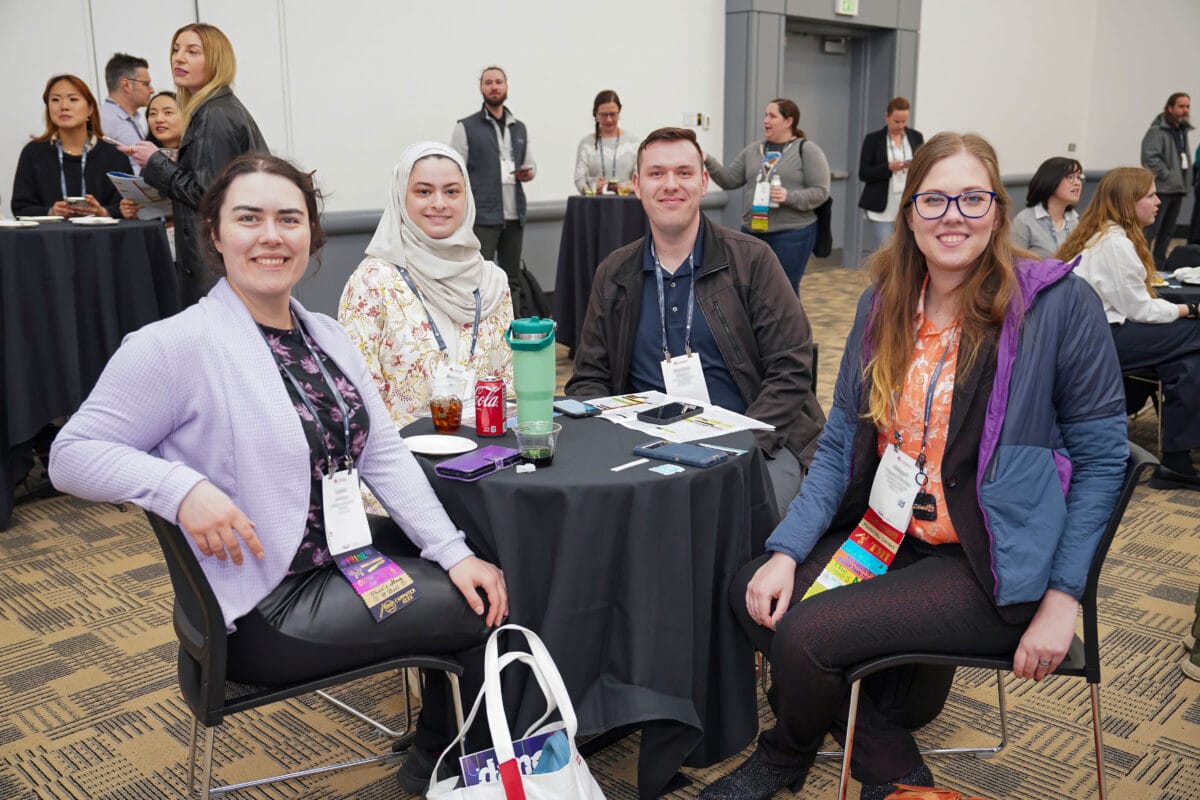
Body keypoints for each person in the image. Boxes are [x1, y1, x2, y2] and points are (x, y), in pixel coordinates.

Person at [47, 154, 507, 793]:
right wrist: (180, 489)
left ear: (310, 235)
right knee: (488, 611)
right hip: (268, 600)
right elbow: (72, 454)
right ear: (215, 234)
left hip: (338, 557)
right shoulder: (175, 345)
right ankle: (463, 764)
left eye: (289, 219)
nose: (271, 235)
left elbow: (382, 457)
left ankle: (444, 751)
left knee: (483, 568)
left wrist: (451, 551)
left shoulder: (324, 336)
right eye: (249, 218)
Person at [699, 132, 1127, 800]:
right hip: (891, 533)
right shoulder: (882, 304)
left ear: (997, 211)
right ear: (909, 213)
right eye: (933, 200)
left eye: (971, 198)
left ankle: (785, 755)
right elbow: (841, 443)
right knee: (753, 591)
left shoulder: (1056, 307)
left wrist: (1064, 599)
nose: (952, 215)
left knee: (807, 635)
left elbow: (1103, 463)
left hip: (991, 560)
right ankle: (897, 769)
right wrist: (786, 551)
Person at [566, 127, 825, 517]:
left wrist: (739, 442)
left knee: (737, 523)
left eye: (684, 172)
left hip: (754, 445)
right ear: (637, 185)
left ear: (704, 182)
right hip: (645, 450)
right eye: (656, 174)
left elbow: (791, 370)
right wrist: (612, 443)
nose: (670, 185)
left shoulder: (752, 262)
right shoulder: (615, 272)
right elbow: (588, 379)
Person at [339, 142, 514, 449]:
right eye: (423, 191)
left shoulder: (492, 282)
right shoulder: (374, 282)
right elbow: (357, 398)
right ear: (401, 197)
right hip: (405, 464)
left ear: (467, 197)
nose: (439, 203)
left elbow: (509, 384)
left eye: (451, 191)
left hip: (487, 461)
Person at [1057, 167, 1200, 490]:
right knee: (1194, 334)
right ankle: (1176, 455)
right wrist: (1189, 309)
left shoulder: (1103, 234)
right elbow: (1140, 310)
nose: (1158, 202)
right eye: (1150, 195)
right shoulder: (1115, 244)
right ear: (1128, 201)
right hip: (1098, 343)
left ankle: (1176, 463)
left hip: (1092, 336)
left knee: (1186, 361)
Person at [131, 22, 267, 307]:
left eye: (193, 52)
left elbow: (208, 195)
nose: (179, 58)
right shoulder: (219, 108)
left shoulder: (213, 115)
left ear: (216, 61)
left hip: (214, 264)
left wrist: (155, 161)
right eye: (176, 50)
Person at [704, 99, 830, 293]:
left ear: (788, 121)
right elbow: (729, 180)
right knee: (749, 288)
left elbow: (821, 191)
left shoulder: (807, 150)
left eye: (772, 116)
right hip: (753, 230)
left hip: (792, 233)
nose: (766, 120)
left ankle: (788, 325)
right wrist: (707, 159)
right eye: (765, 115)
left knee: (783, 291)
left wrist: (789, 196)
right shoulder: (754, 150)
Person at [450, 66, 535, 313]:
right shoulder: (465, 127)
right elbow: (455, 175)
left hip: (513, 216)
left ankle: (515, 336)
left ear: (506, 86)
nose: (494, 87)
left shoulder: (519, 127)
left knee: (512, 279)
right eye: (489, 82)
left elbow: (530, 163)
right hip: (482, 218)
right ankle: (481, 334)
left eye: (499, 82)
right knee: (478, 279)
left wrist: (529, 172)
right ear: (481, 88)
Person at [10, 74, 128, 219]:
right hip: (51, 239)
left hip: (102, 239)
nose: (64, 107)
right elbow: (20, 208)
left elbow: (128, 208)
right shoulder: (33, 152)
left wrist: (102, 212)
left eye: (73, 99)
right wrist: (51, 212)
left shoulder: (114, 154)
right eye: (55, 100)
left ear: (90, 109)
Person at [119, 92, 186, 258]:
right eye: (152, 113)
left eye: (168, 112)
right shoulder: (147, 158)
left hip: (188, 244)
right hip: (154, 242)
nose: (159, 119)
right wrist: (131, 210)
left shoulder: (196, 156)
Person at [858, 97, 925, 251]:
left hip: (908, 203)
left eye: (904, 121)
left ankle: (903, 276)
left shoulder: (916, 137)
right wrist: (887, 167)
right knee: (887, 251)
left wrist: (914, 165)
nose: (900, 126)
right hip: (882, 205)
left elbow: (924, 166)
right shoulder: (873, 139)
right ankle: (883, 276)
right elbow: (864, 173)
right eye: (896, 121)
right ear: (887, 116)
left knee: (908, 250)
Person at [1140, 92, 1192, 267]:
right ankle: (1142, 265)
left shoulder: (1181, 131)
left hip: (1177, 189)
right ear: (1170, 108)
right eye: (1181, 106)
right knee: (1150, 232)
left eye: (1187, 106)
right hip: (1162, 189)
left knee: (1167, 232)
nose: (1185, 110)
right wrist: (1167, 174)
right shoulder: (1157, 130)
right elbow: (1149, 157)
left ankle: (1159, 267)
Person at [1010, 157, 1084, 258]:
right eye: (1070, 177)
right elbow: (1013, 265)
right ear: (1051, 180)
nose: (1077, 183)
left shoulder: (1074, 221)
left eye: (1079, 177)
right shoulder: (1024, 221)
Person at [573, 90, 638, 194]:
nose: (609, 119)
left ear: (619, 112)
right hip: (595, 206)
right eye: (604, 115)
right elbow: (579, 179)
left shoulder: (633, 143)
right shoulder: (586, 144)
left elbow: (640, 177)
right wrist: (593, 190)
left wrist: (623, 188)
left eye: (613, 114)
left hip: (627, 205)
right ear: (596, 115)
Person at [100, 52, 153, 173]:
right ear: (126, 85)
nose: (151, 90)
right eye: (146, 84)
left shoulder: (133, 118)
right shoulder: (104, 121)